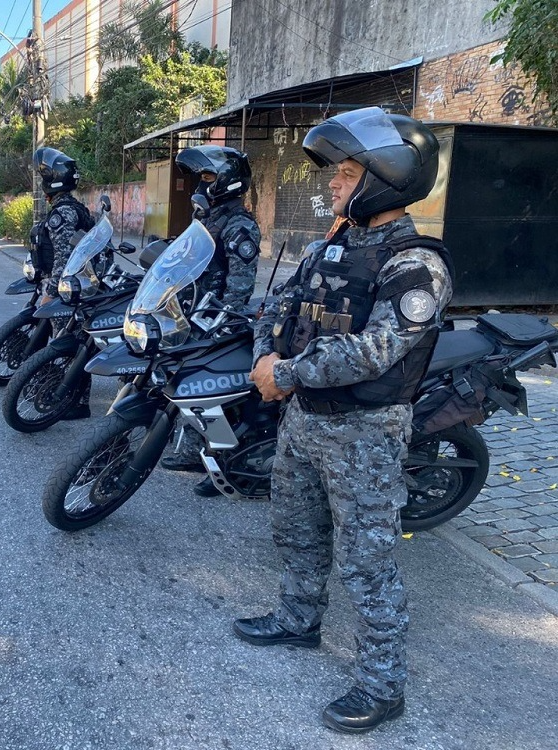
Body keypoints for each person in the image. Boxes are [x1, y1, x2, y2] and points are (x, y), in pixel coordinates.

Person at [234, 108, 453, 734]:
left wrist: (287, 374)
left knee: (367, 562)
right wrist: (264, 357)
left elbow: (374, 351)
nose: (331, 183)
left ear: (386, 179)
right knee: (295, 527)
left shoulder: (415, 265)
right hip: (304, 422)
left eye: (348, 171)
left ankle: (384, 686)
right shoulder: (330, 244)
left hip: (366, 433)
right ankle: (299, 621)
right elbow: (277, 305)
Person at [159, 145, 263, 496]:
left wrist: (222, 322)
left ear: (228, 181)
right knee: (186, 383)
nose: (199, 186)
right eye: (199, 178)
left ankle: (225, 464)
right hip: (192, 312)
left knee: (210, 394)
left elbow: (239, 285)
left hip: (217, 319)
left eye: (207, 178)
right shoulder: (210, 217)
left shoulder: (239, 225)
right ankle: (189, 449)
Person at [34, 146, 96, 419]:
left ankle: (77, 402)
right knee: (73, 341)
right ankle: (73, 397)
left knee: (68, 343)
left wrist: (50, 292)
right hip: (78, 285)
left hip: (67, 290)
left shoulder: (63, 213)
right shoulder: (75, 207)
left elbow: (64, 257)